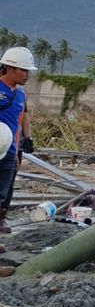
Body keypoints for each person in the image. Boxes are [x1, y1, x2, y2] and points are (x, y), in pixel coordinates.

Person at [0, 47, 36, 234]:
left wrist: (21, 144)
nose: (27, 74)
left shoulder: (21, 94)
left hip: (9, 149)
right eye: (23, 70)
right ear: (9, 68)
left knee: (3, 191)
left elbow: (19, 120)